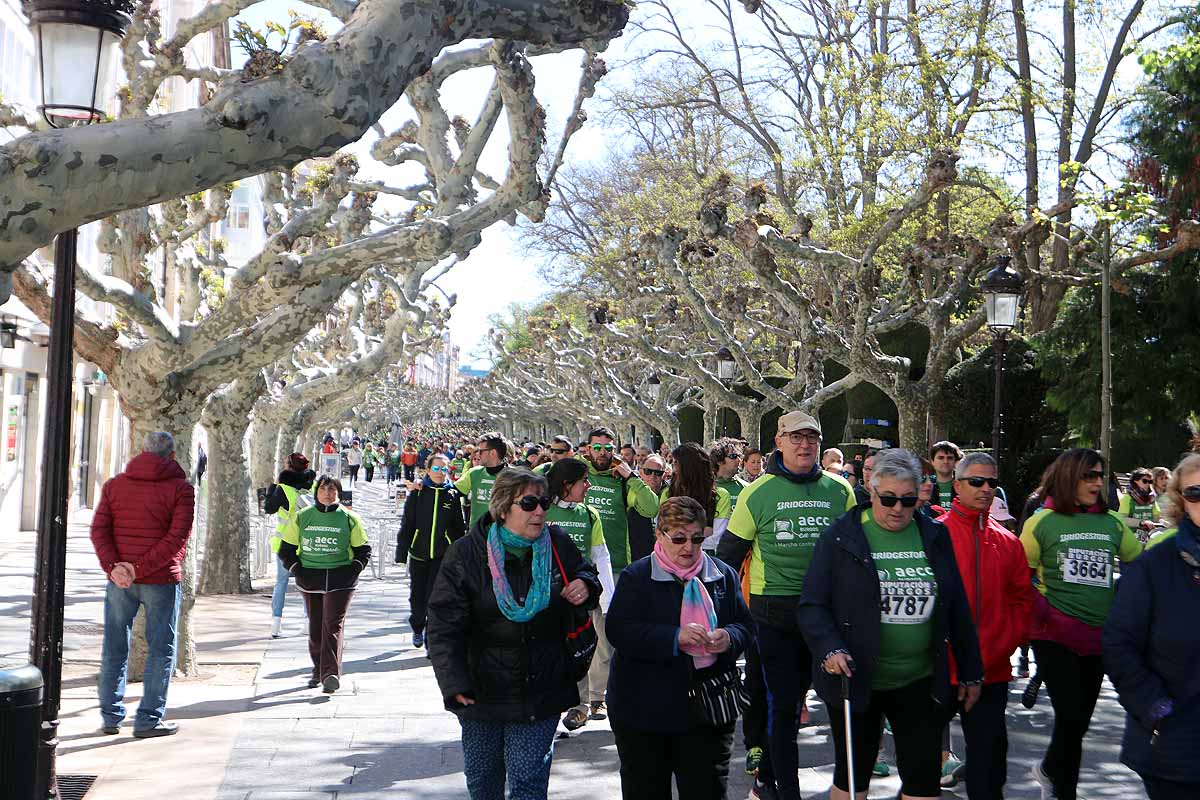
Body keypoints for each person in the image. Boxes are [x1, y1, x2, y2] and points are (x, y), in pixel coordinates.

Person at [798, 448, 984, 800]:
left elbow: (955, 605)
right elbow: (812, 605)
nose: (898, 508)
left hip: (919, 680)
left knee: (924, 779)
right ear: (872, 492)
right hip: (856, 679)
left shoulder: (933, 535)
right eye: (889, 499)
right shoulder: (841, 536)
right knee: (854, 778)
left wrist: (972, 670)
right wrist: (829, 647)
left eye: (908, 500)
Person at [427, 468, 600, 800]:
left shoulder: (558, 543)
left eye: (543, 502)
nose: (539, 511)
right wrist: (454, 682)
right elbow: (443, 625)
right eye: (529, 503)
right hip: (481, 690)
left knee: (528, 782)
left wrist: (585, 584)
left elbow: (585, 572)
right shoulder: (466, 554)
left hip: (541, 687)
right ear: (503, 509)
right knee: (484, 781)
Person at [716, 411, 856, 800]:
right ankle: (784, 789)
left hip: (826, 613)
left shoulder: (839, 489)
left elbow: (854, 552)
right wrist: (723, 613)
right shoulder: (757, 491)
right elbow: (729, 555)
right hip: (773, 611)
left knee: (834, 703)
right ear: (779, 442)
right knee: (785, 705)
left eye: (812, 437)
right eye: (795, 437)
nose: (804, 445)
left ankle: (831, 784)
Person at [606, 497, 754, 799]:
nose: (689, 547)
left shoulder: (721, 574)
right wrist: (674, 638)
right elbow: (619, 631)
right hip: (644, 713)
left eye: (697, 538)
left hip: (708, 713)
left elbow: (745, 626)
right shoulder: (637, 577)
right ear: (660, 535)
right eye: (679, 539)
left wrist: (728, 638)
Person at [1020, 448, 1143, 800]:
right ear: (1069, 477)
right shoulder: (1041, 522)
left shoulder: (1111, 523)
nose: (1097, 482)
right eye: (1089, 475)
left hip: (1096, 637)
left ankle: (1048, 771)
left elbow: (1138, 567)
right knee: (1071, 718)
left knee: (1078, 724)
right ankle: (1063, 791)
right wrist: (1041, 612)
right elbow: (1020, 578)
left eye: (1100, 475)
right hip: (1054, 636)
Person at [937, 452, 1036, 799]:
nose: (985, 489)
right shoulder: (935, 536)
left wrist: (998, 649)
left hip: (991, 670)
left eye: (992, 482)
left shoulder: (1008, 543)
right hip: (939, 671)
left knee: (990, 769)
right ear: (957, 485)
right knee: (919, 768)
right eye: (976, 481)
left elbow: (1023, 602)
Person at [1103, 454, 1200, 800]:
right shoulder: (1155, 565)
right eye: (1195, 493)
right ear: (1178, 500)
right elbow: (1117, 643)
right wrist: (1155, 709)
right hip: (1173, 749)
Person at [90, 431, 195, 738]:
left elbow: (99, 531)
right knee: (161, 649)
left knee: (113, 647)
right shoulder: (182, 490)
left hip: (120, 581)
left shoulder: (114, 485)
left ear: (142, 452)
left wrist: (116, 569)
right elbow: (176, 539)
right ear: (173, 455)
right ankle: (148, 719)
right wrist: (136, 569)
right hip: (160, 579)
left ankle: (110, 716)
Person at [279, 475, 370, 693]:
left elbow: (363, 550)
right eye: (323, 489)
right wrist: (298, 571)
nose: (327, 493)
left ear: (339, 493)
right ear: (316, 492)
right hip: (311, 579)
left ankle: (330, 674)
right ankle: (318, 668)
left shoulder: (349, 518)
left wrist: (352, 570)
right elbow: (286, 550)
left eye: (332, 489)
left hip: (341, 581)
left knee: (332, 625)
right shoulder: (303, 517)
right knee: (316, 626)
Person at [546, 458, 616, 732]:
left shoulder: (589, 514)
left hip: (587, 593)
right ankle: (573, 703)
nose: (588, 485)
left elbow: (600, 555)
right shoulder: (544, 510)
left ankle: (591, 701)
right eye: (583, 481)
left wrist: (606, 596)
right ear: (566, 484)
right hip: (554, 597)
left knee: (597, 646)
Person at [397, 454, 466, 649]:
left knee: (436, 596)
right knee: (418, 595)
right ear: (427, 470)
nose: (440, 473)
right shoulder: (418, 493)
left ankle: (431, 636)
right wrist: (402, 551)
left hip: (442, 555)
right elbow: (408, 523)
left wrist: (457, 552)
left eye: (444, 469)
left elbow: (458, 528)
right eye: (436, 469)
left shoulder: (452, 495)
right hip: (419, 553)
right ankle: (417, 626)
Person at [263, 453, 317, 638]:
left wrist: (271, 489)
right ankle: (308, 623)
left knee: (281, 583)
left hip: (285, 542)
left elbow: (268, 508)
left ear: (289, 467)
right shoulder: (311, 488)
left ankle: (276, 625)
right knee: (306, 583)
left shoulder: (283, 489)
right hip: (306, 541)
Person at [664, 442, 731, 553]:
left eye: (676, 463)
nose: (673, 469)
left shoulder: (721, 496)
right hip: (673, 558)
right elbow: (664, 535)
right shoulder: (667, 494)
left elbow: (717, 539)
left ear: (689, 467)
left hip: (707, 559)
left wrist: (679, 536)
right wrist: (701, 533)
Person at [455, 432, 510, 527]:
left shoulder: (514, 476)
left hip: (504, 536)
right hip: (477, 536)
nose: (477, 454)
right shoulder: (474, 473)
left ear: (492, 453)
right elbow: (451, 492)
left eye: (481, 451)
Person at [630, 455, 667, 561]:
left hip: (664, 559)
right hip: (637, 559)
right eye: (648, 471)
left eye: (658, 473)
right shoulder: (629, 491)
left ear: (664, 475)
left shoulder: (671, 494)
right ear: (640, 472)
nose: (652, 476)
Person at [1118, 467, 1161, 537]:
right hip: (1131, 536)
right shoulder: (1128, 498)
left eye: (1150, 482)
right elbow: (1122, 519)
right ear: (1136, 481)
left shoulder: (1152, 498)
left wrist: (1165, 522)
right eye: (1145, 481)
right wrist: (1141, 522)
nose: (1148, 484)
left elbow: (1157, 518)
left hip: (1149, 535)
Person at [711, 437, 748, 511]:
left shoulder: (746, 488)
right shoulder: (705, 487)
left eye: (739, 456)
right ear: (719, 461)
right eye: (733, 456)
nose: (739, 460)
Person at [930, 441, 963, 508]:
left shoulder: (964, 485)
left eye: (950, 458)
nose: (945, 461)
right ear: (932, 462)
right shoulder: (924, 485)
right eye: (941, 458)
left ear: (955, 462)